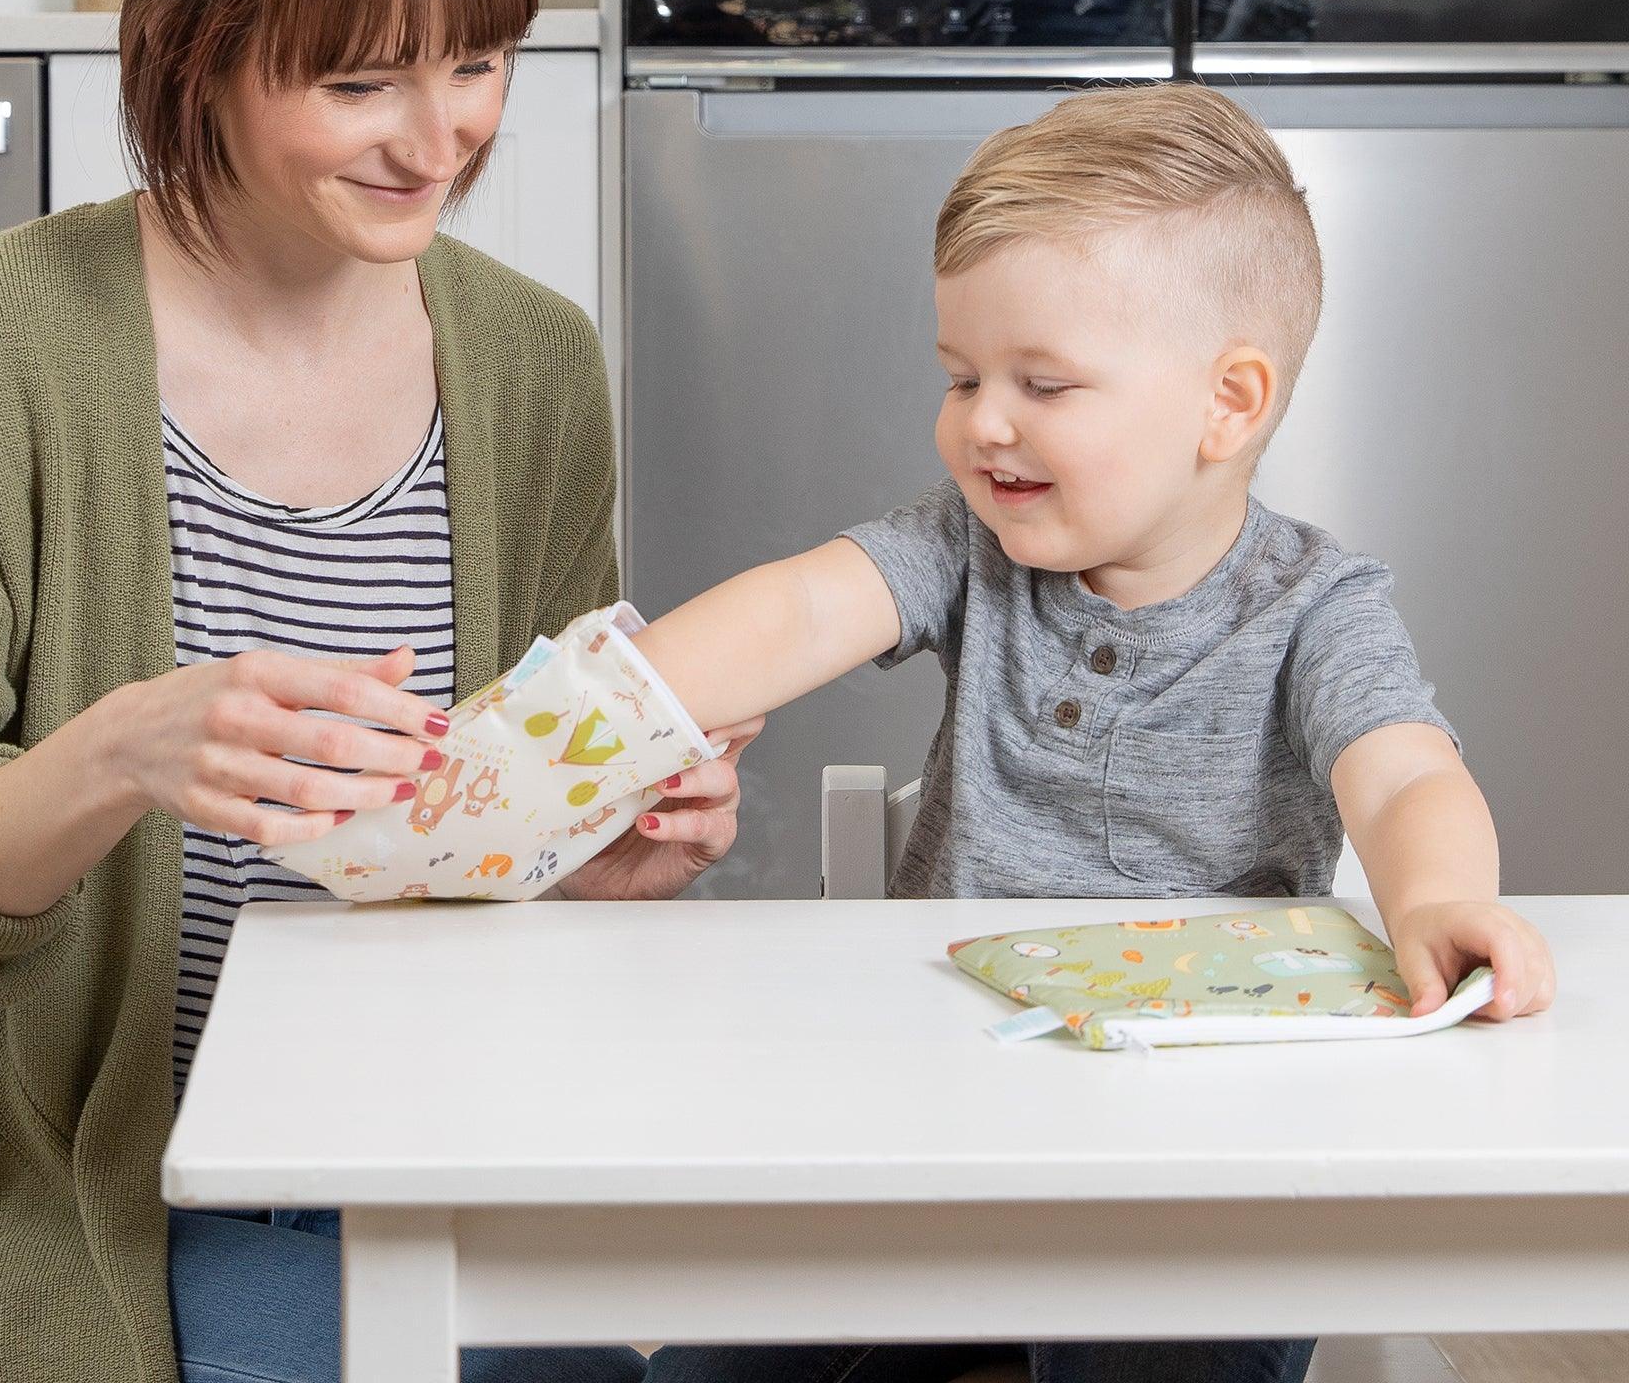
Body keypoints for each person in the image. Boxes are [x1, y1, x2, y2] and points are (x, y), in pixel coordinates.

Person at [0, 0, 750, 1383]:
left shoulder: (532, 364)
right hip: (105, 1195)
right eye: (359, 79)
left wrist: (601, 850)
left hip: (425, 1167)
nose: (438, 134)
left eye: (476, 58)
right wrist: (117, 752)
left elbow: (486, 855)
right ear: (192, 47)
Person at [634, 82, 1556, 1383]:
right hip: (933, 1140)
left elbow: (1404, 773)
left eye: (1042, 383)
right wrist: (605, 713)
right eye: (960, 376)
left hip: (1206, 1164)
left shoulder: (1312, 605)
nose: (981, 422)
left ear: (1226, 405)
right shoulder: (967, 548)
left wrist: (1445, 900)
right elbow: (795, 610)